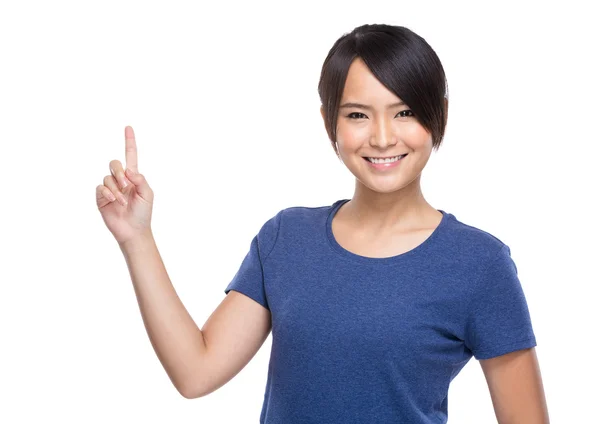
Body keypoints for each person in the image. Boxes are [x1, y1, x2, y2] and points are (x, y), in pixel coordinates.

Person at [96, 23, 549, 424]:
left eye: (405, 111)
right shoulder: (286, 239)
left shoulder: (478, 264)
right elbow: (195, 373)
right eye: (357, 114)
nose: (383, 136)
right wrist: (137, 238)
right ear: (328, 122)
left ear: (439, 115)